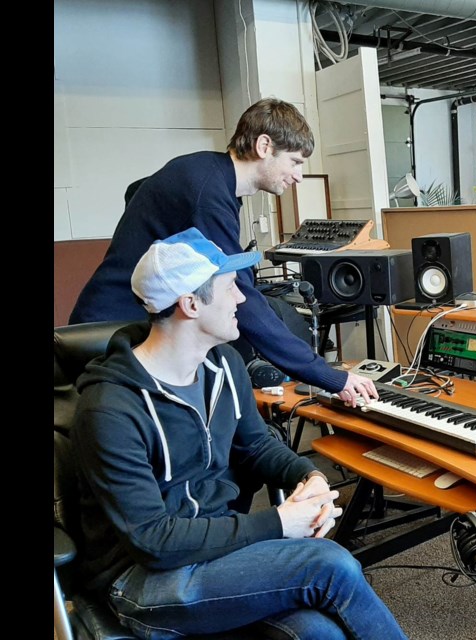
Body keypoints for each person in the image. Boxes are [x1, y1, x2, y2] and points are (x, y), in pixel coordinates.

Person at [72, 228, 408, 640]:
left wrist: (309, 476)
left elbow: (257, 444)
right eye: (230, 286)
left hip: (218, 550)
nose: (242, 299)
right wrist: (280, 522)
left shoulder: (225, 365)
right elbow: (153, 540)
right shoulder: (110, 407)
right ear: (191, 304)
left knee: (319, 632)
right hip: (140, 579)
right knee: (329, 565)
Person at [69, 97, 376, 408]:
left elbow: (136, 190)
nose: (298, 176)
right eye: (295, 162)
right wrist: (328, 376)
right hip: (113, 334)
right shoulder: (209, 193)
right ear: (265, 146)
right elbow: (241, 298)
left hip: (124, 324)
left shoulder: (207, 172)